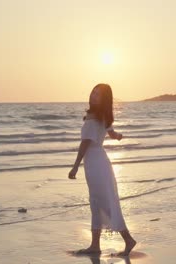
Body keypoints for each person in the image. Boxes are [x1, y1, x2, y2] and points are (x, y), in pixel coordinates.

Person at [68, 83, 136, 256]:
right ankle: (95, 245)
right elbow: (112, 133)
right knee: (97, 203)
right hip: (99, 162)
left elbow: (84, 144)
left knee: (103, 203)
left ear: (104, 99)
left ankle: (127, 239)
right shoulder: (102, 116)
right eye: (93, 91)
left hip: (96, 164)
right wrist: (118, 136)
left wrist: (75, 166)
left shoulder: (95, 118)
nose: (93, 95)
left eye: (98, 94)